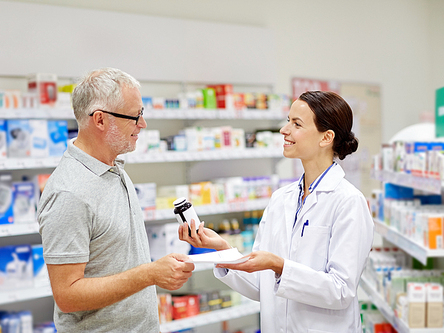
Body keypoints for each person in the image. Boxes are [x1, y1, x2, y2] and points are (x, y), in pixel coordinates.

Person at [179, 90, 374, 332]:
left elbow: (341, 291)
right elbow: (262, 286)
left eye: (296, 124)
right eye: (288, 120)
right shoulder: (281, 199)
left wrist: (280, 266)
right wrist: (223, 249)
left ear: (326, 138)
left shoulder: (348, 202)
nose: (284, 130)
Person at [38, 67, 195, 332]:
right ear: (99, 120)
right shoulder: (69, 193)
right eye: (134, 116)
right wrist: (149, 274)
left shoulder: (114, 168)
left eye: (141, 114)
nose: (142, 124)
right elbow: (67, 295)